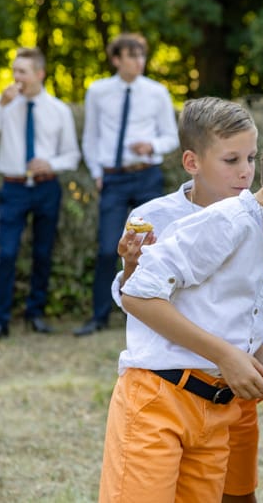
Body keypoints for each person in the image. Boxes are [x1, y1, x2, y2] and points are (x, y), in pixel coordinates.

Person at [99, 114, 263, 503]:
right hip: (160, 402)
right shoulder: (226, 223)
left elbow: (224, 316)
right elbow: (138, 294)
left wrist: (262, 356)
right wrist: (227, 356)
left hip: (216, 411)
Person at [109, 96, 263, 503]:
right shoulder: (156, 215)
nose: (245, 172)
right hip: (168, 387)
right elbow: (136, 297)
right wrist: (131, 265)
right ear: (192, 162)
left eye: (251, 158)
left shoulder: (262, 222)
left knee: (234, 491)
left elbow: (256, 305)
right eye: (231, 160)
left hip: (228, 390)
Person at [0, 47, 80, 347]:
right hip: (14, 188)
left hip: (47, 187)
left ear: (39, 74)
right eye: (14, 70)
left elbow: (72, 155)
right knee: (6, 254)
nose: (16, 77)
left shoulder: (58, 110)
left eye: (23, 71)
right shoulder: (5, 106)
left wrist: (52, 164)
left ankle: (35, 314)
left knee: (43, 253)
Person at [75, 32, 179, 337]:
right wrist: (97, 171)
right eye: (132, 56)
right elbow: (90, 136)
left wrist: (152, 146)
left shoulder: (157, 92)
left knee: (154, 247)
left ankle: (153, 312)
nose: (139, 62)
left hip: (147, 174)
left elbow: (171, 137)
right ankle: (99, 316)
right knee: (108, 247)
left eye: (142, 56)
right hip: (113, 177)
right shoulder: (97, 91)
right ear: (116, 59)